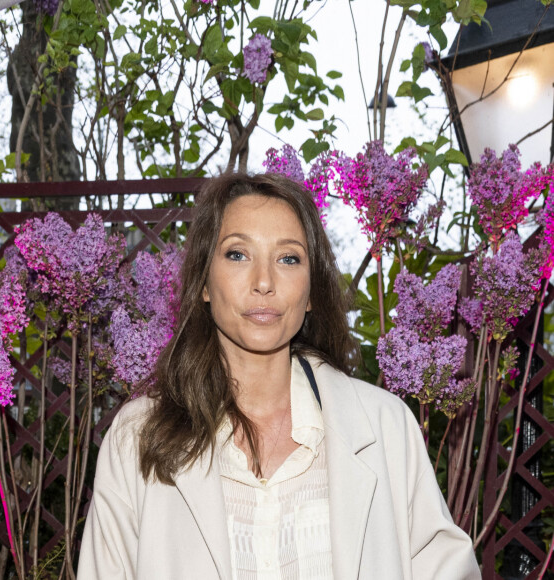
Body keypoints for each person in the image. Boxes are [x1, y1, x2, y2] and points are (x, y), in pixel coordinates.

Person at [77, 173, 481, 579]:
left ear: (310, 292)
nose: (264, 283)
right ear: (203, 282)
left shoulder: (386, 426)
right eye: (238, 254)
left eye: (288, 258)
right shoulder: (136, 438)